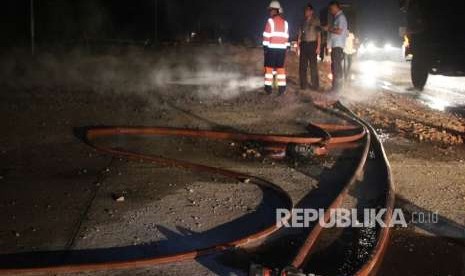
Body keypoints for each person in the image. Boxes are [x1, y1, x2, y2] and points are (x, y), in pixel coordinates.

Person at [263, 1, 290, 96]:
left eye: (270, 10)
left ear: (274, 10)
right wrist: (286, 48)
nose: (270, 12)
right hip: (282, 50)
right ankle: (282, 89)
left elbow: (266, 36)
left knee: (269, 69)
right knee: (280, 69)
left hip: (271, 49)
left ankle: (268, 89)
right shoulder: (285, 23)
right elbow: (287, 37)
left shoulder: (270, 21)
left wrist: (265, 48)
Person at [324, 1, 348, 92]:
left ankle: (337, 90)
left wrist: (328, 28)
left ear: (336, 7)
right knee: (335, 67)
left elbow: (339, 31)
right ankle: (335, 88)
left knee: (337, 68)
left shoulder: (341, 18)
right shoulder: (337, 18)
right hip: (335, 46)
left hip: (338, 46)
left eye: (332, 8)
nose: (331, 10)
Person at [298, 3, 321, 90]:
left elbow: (319, 34)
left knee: (313, 66)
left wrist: (318, 47)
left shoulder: (316, 20)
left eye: (307, 10)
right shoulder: (302, 21)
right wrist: (298, 44)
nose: (306, 12)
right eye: (305, 10)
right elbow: (300, 33)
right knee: (302, 66)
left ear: (312, 11)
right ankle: (303, 85)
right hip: (304, 45)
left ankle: (315, 85)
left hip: (312, 44)